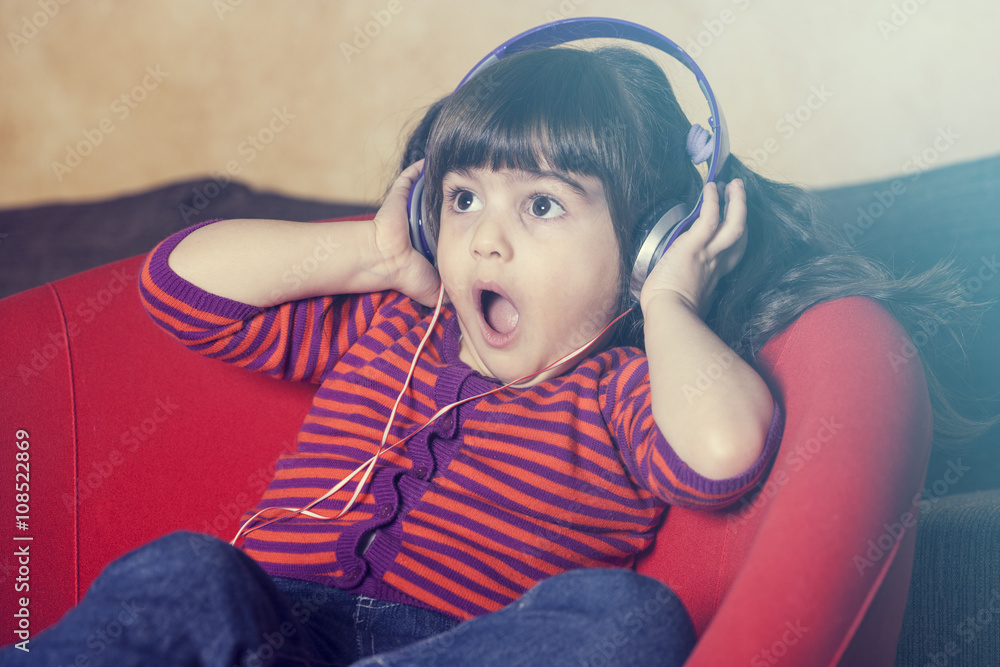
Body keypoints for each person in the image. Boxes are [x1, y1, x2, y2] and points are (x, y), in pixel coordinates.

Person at [5, 40, 991, 667]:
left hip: (449, 647)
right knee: (187, 567)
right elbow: (177, 284)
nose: (485, 237)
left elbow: (725, 447)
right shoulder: (389, 326)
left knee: (626, 617)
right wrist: (372, 254)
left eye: (543, 205)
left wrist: (669, 298)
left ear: (646, 242)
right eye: (465, 198)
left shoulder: (623, 393)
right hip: (260, 618)